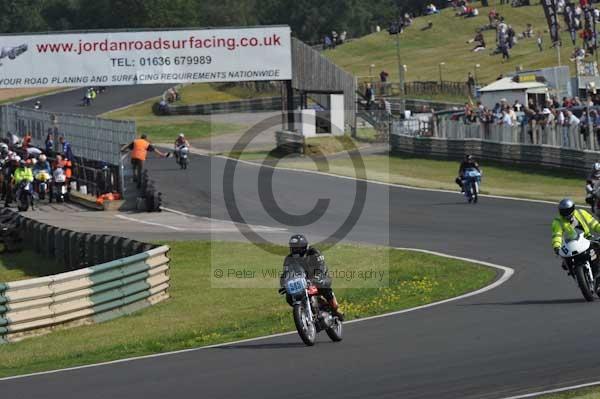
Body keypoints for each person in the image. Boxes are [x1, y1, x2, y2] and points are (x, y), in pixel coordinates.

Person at [279, 234, 343, 320]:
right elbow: (286, 273)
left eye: (297, 248)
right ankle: (304, 311)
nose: (294, 250)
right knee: (289, 297)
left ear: (304, 247)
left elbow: (321, 266)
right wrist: (284, 284)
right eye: (293, 247)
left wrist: (317, 277)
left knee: (323, 285)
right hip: (302, 281)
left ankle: (335, 308)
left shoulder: (314, 252)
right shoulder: (288, 258)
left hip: (320, 276)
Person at [551, 199, 600, 264]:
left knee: (597, 249)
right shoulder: (558, 221)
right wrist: (556, 246)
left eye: (567, 211)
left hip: (587, 239)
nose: (565, 213)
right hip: (570, 245)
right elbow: (557, 235)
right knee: (565, 263)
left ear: (572, 209)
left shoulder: (581, 213)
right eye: (563, 211)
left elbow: (594, 224)